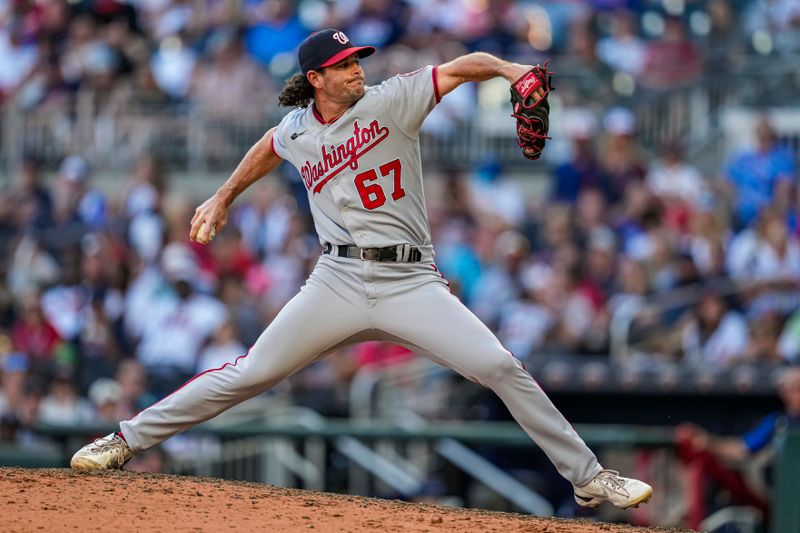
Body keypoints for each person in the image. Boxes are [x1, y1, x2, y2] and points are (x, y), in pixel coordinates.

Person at [71, 28, 652, 510]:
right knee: (250, 373)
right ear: (315, 80)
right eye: (343, 66)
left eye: (356, 61)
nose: (356, 71)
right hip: (337, 280)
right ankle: (124, 439)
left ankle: (588, 476)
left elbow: (460, 66)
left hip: (410, 280)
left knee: (499, 366)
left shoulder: (392, 99)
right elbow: (268, 146)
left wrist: (508, 69)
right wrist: (223, 196)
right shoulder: (300, 127)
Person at [675, 366, 800, 529]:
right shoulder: (778, 423)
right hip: (781, 501)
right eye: (796, 388)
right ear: (784, 392)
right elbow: (742, 449)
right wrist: (708, 442)